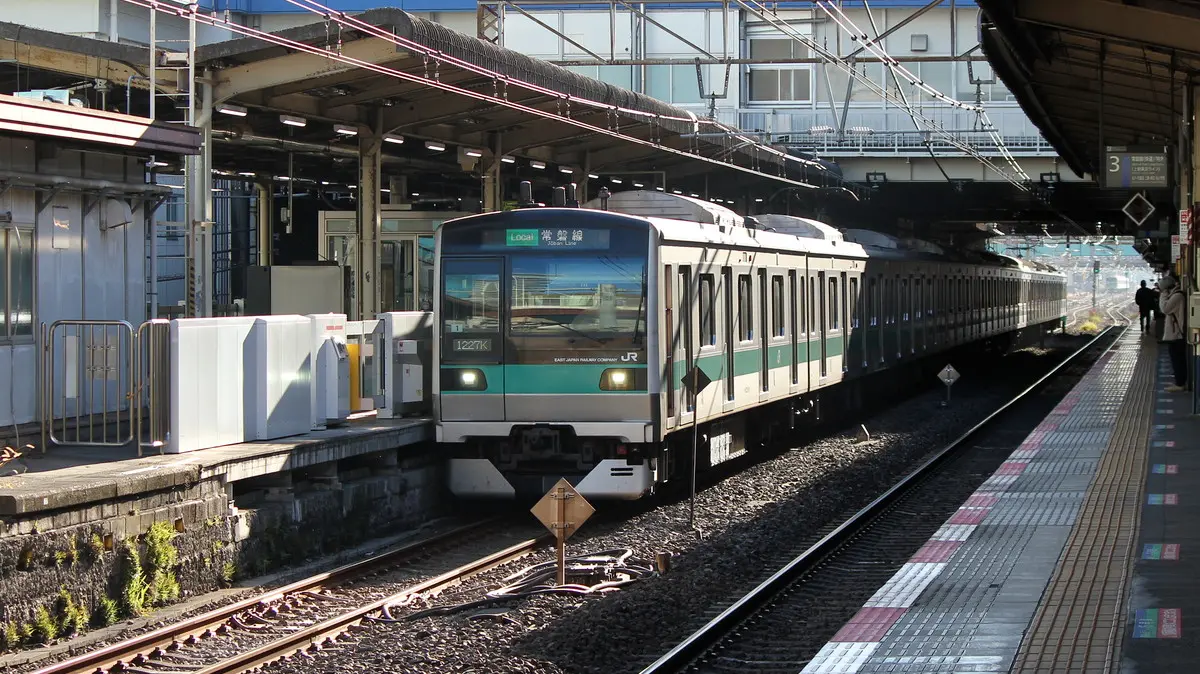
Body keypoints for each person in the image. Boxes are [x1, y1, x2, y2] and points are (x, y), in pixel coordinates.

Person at [1159, 275, 1188, 393]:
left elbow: (1164, 309)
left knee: (1178, 359)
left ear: (1166, 288)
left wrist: (1163, 295)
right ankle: (1179, 381)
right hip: (1176, 334)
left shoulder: (1177, 296)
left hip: (1177, 334)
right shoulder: (1175, 295)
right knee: (1176, 358)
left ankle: (1180, 384)